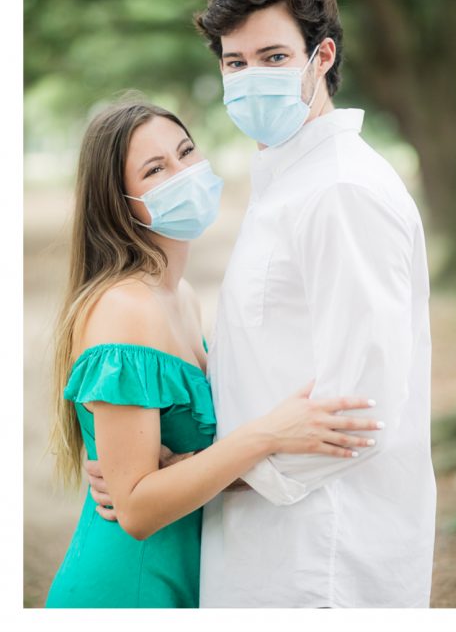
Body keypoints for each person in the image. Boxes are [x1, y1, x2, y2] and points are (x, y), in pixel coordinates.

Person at [45, 100, 380, 608]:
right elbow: (135, 510)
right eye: (156, 170)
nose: (185, 173)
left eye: (185, 153)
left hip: (190, 581)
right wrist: (268, 433)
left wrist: (187, 465)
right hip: (129, 589)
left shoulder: (177, 298)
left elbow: (182, 473)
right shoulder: (123, 308)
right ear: (119, 202)